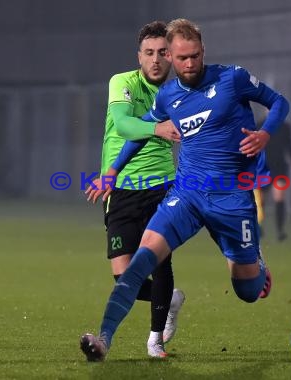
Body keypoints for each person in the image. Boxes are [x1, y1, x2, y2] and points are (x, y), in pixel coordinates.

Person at [80, 18, 290, 362]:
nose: (189, 64)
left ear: (202, 51)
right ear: (173, 61)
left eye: (194, 56)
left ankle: (256, 267)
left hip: (231, 197)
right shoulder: (168, 96)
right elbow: (142, 132)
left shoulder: (232, 78)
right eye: (182, 58)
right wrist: (112, 171)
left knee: (248, 290)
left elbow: (279, 101)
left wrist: (265, 133)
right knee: (141, 259)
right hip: (187, 193)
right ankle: (103, 339)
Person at [83, 21, 185, 359]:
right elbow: (125, 125)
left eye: (162, 53)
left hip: (161, 184)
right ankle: (169, 298)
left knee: (160, 262)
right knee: (122, 275)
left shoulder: (180, 94)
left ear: (172, 56)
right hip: (122, 188)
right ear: (139, 55)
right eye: (149, 53)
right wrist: (158, 127)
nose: (156, 59)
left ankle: (155, 340)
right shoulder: (122, 83)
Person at [265, 121, 291, 241]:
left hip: (280, 167)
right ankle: (258, 227)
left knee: (279, 198)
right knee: (260, 200)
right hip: (263, 167)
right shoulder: (260, 124)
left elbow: (289, 144)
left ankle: (280, 231)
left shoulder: (285, 127)